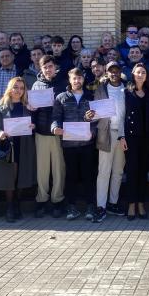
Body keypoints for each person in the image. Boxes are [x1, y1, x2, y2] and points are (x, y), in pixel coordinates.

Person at [0, 77, 37, 222]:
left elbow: (35, 122)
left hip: (24, 145)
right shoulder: (0, 104)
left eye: (22, 88)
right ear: (10, 88)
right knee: (10, 177)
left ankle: (17, 205)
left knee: (21, 176)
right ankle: (10, 207)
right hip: (8, 145)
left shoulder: (28, 105)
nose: (18, 91)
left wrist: (33, 126)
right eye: (16, 87)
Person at [51, 68, 96, 221]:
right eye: (74, 78)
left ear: (83, 79)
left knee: (88, 175)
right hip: (69, 144)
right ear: (69, 80)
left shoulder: (91, 97)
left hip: (87, 143)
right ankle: (72, 207)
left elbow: (97, 119)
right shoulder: (61, 97)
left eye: (79, 78)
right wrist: (54, 128)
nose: (77, 81)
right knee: (71, 176)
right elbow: (55, 117)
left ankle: (91, 206)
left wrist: (93, 131)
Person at [31, 55, 67, 218]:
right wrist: (31, 108)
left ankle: (57, 201)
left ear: (55, 67)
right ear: (41, 69)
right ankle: (42, 200)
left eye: (50, 66)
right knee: (42, 170)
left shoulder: (63, 83)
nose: (48, 70)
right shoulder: (36, 85)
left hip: (59, 133)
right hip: (41, 132)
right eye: (45, 67)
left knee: (59, 169)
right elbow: (32, 110)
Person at [94, 61, 127, 222]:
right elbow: (95, 112)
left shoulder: (127, 88)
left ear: (120, 71)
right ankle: (101, 206)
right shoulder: (101, 88)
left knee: (118, 171)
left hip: (122, 135)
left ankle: (113, 203)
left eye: (116, 70)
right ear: (106, 73)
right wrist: (90, 115)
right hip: (106, 134)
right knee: (104, 171)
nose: (114, 73)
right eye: (110, 71)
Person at [123, 63, 149, 220]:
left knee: (142, 172)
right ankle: (131, 204)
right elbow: (122, 115)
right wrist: (122, 136)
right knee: (132, 171)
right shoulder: (126, 92)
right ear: (133, 74)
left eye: (143, 72)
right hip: (131, 137)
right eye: (138, 72)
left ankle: (141, 203)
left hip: (146, 137)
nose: (140, 74)